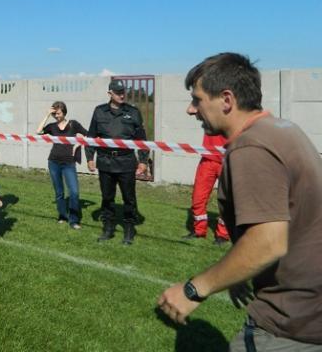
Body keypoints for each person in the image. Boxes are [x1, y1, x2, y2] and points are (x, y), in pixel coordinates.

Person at [157, 52, 322, 349]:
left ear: (226, 100)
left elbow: (268, 242)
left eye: (197, 99)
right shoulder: (281, 129)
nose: (191, 110)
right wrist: (239, 272)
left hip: (291, 323)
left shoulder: (250, 147)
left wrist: (194, 290)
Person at [86, 79, 148, 245]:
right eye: (118, 92)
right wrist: (90, 158)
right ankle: (108, 228)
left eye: (123, 92)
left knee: (129, 198)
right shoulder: (99, 111)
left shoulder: (133, 112)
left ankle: (129, 229)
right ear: (110, 93)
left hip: (126, 161)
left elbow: (141, 139)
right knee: (107, 197)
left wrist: (143, 161)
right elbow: (91, 137)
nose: (122, 95)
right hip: (105, 161)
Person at [37, 101, 88, 229]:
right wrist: (47, 115)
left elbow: (88, 135)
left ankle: (74, 220)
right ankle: (62, 216)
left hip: (69, 163)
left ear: (64, 112)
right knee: (59, 192)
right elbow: (38, 132)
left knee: (74, 192)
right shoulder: (52, 126)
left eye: (58, 113)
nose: (57, 116)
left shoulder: (73, 124)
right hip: (53, 162)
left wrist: (78, 144)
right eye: (54, 114)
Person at [183, 133, 230, 245]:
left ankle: (223, 234)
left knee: (227, 200)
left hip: (228, 161)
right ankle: (199, 231)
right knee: (198, 198)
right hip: (208, 159)